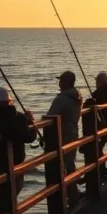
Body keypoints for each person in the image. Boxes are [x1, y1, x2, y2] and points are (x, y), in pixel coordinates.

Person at [46, 71, 83, 206]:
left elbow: (50, 116)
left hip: (63, 136)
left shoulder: (61, 99)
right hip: (74, 133)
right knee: (70, 164)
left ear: (67, 83)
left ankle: (68, 198)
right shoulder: (77, 96)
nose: (59, 83)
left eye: (61, 81)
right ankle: (73, 195)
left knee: (63, 167)